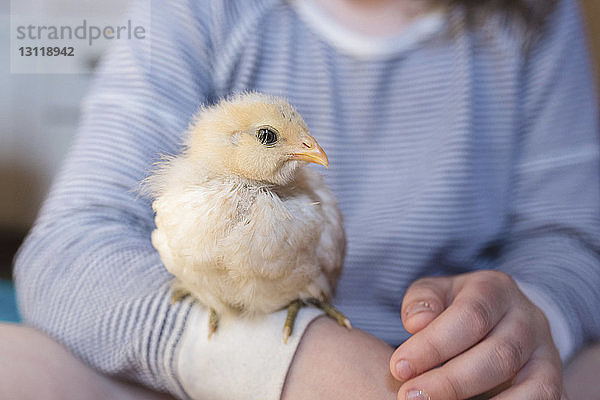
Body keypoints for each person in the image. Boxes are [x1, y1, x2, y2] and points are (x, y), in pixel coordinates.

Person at [7, 0, 600, 398]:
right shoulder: (199, 11)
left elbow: (573, 240)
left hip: (440, 372)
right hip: (207, 363)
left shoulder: (534, 18)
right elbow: (69, 245)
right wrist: (282, 362)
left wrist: (525, 321)